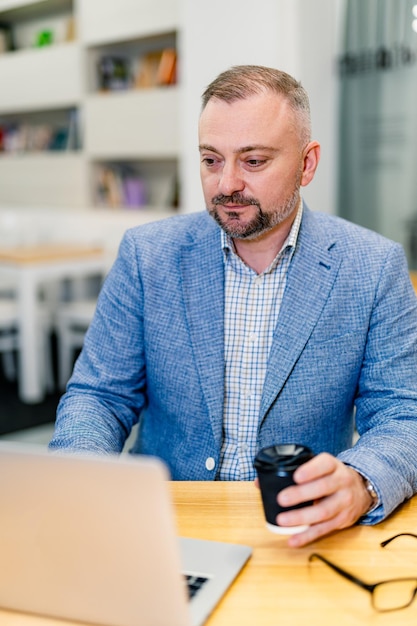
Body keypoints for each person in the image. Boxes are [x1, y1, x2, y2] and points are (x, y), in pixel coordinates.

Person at [49, 65, 417, 547]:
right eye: (211, 160)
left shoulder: (373, 267)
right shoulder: (148, 255)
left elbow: (402, 415)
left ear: (307, 164)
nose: (227, 184)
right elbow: (100, 396)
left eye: (254, 161)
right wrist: (82, 478)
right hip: (163, 524)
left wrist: (362, 481)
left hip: (301, 531)